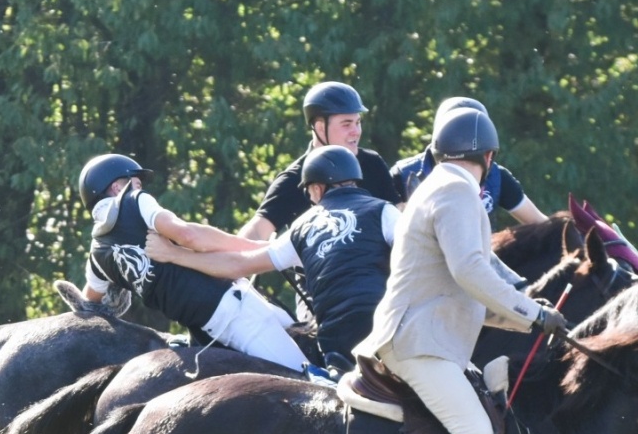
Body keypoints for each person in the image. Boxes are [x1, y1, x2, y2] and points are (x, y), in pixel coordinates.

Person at [353, 107, 569, 434]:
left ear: (437, 152)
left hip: (429, 337)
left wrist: (527, 308)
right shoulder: (455, 192)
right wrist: (534, 316)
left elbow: (474, 283)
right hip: (418, 343)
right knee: (475, 430)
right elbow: (472, 270)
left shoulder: (436, 187)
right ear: (489, 158)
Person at [146, 145, 396, 370]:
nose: (310, 200)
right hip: (390, 332)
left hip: (338, 347)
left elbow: (238, 264)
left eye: (309, 193)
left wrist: (174, 254)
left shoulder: (301, 227)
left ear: (318, 189)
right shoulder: (384, 210)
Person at [77, 153, 314, 374]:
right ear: (117, 187)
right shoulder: (134, 200)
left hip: (207, 330)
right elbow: (189, 236)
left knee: (310, 343)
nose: (140, 187)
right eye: (136, 182)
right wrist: (262, 249)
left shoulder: (97, 258)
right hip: (237, 311)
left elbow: (89, 305)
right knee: (311, 378)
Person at [238, 81, 401, 241]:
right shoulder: (293, 179)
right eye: (347, 124)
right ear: (320, 127)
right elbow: (258, 232)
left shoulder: (372, 163)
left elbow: (400, 215)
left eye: (358, 123)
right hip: (317, 268)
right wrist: (231, 260)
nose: (356, 131)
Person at [391, 97, 548, 224]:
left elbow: (540, 224)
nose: (462, 141)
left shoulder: (498, 177)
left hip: (481, 257)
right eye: (454, 133)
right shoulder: (402, 174)